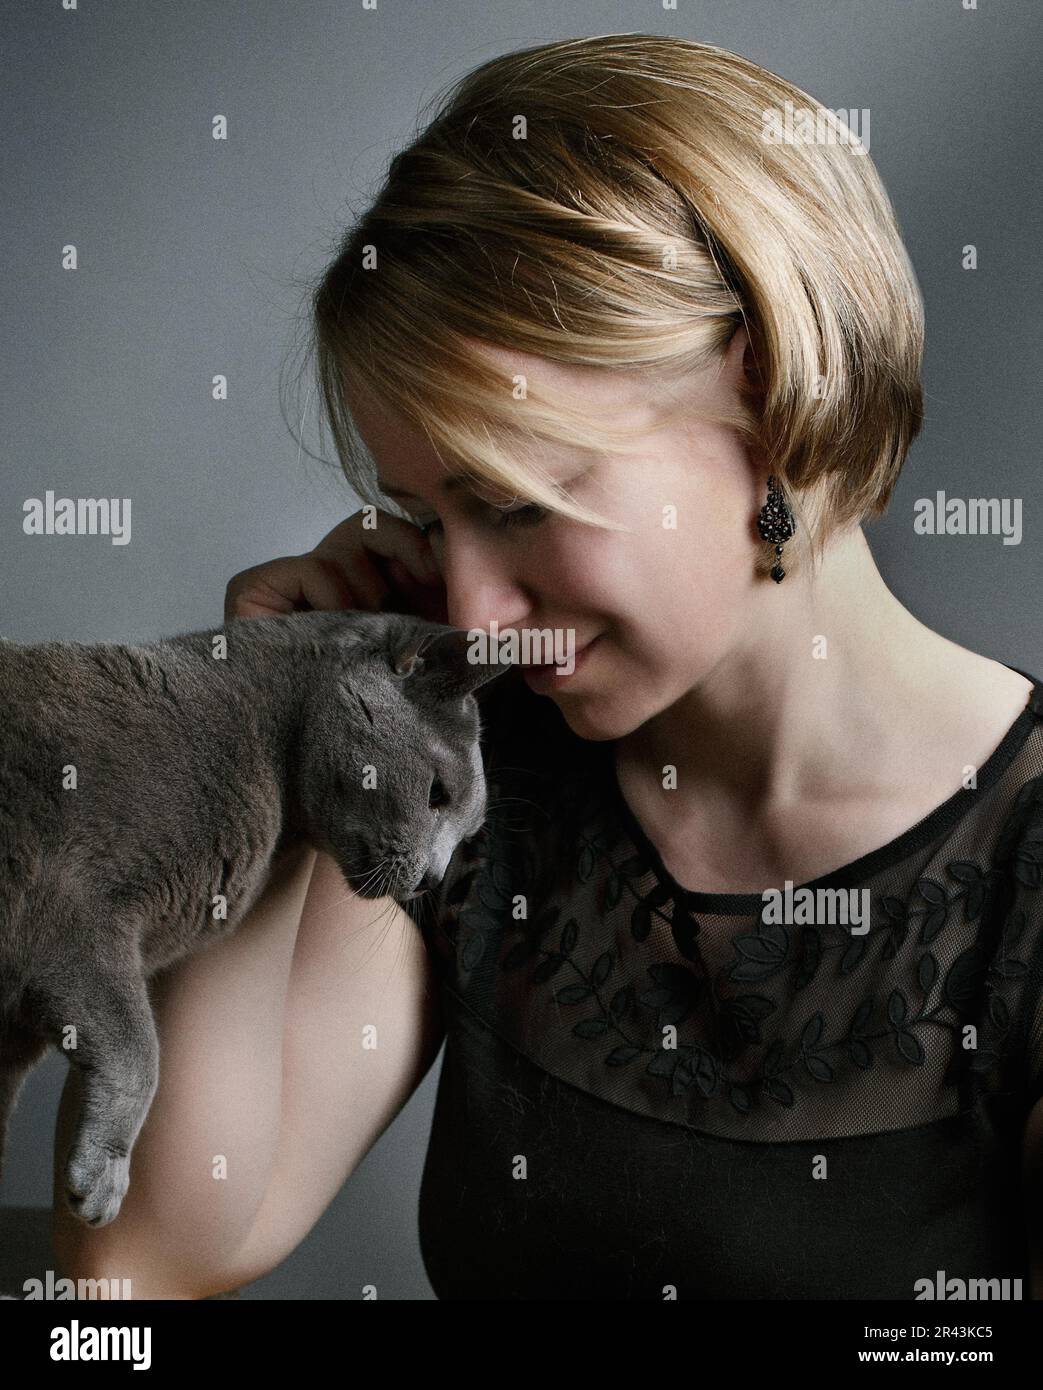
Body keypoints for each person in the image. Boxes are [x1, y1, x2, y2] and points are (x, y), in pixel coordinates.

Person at [52, 33, 1043, 1300]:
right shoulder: (475, 761)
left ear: (772, 390)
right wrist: (273, 721)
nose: (467, 605)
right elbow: (140, 1262)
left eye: (517, 503)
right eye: (427, 519)